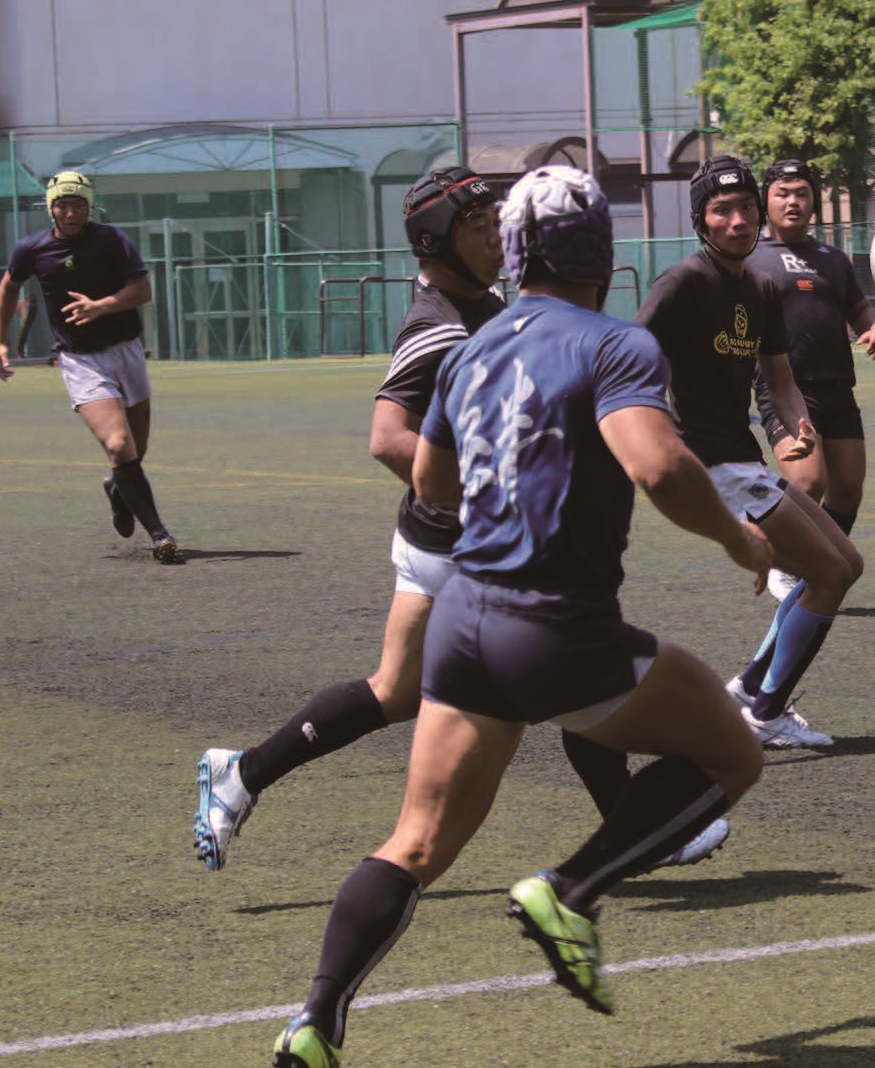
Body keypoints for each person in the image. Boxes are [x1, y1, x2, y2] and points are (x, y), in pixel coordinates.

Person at [270, 165, 774, 1068]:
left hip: (464, 618)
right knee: (731, 750)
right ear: (605, 249)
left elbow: (430, 483)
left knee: (414, 842)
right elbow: (659, 465)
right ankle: (571, 890)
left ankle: (316, 1018)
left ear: (512, 250)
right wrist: (738, 535)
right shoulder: (618, 344)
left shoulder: (472, 346)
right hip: (558, 623)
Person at [192, 167, 693, 873]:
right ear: (434, 241)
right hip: (458, 544)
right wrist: (496, 497)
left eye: (497, 222)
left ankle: (241, 773)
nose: (495, 235)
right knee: (563, 660)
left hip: (463, 542)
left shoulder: (488, 306)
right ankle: (640, 822)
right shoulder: (437, 329)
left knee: (400, 690)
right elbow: (387, 436)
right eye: (476, 226)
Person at [638, 155, 864, 750]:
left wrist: (795, 427)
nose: (739, 221)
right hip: (710, 463)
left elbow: (781, 379)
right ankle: (766, 713)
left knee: (846, 564)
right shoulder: (683, 283)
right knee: (830, 574)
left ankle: (752, 690)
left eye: (745, 209)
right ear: (702, 222)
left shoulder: (761, 287)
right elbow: (628, 361)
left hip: (743, 458)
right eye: (722, 210)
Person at [0, 170, 185, 564]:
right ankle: (160, 536)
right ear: (51, 209)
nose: (70, 212)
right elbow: (10, 285)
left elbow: (143, 290)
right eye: (62, 204)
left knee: (135, 451)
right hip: (81, 360)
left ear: (89, 206)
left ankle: (117, 487)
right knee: (118, 444)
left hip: (127, 351)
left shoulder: (111, 239)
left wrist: (102, 306)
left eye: (77, 204)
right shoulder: (32, 249)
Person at [746, 157, 875, 600]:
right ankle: (782, 559)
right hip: (784, 387)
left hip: (837, 385)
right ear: (765, 202)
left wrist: (874, 324)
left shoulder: (833, 259)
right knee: (809, 481)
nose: (793, 202)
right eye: (782, 194)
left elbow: (858, 307)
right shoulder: (748, 258)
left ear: (814, 202)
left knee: (847, 488)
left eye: (802, 193)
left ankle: (816, 565)